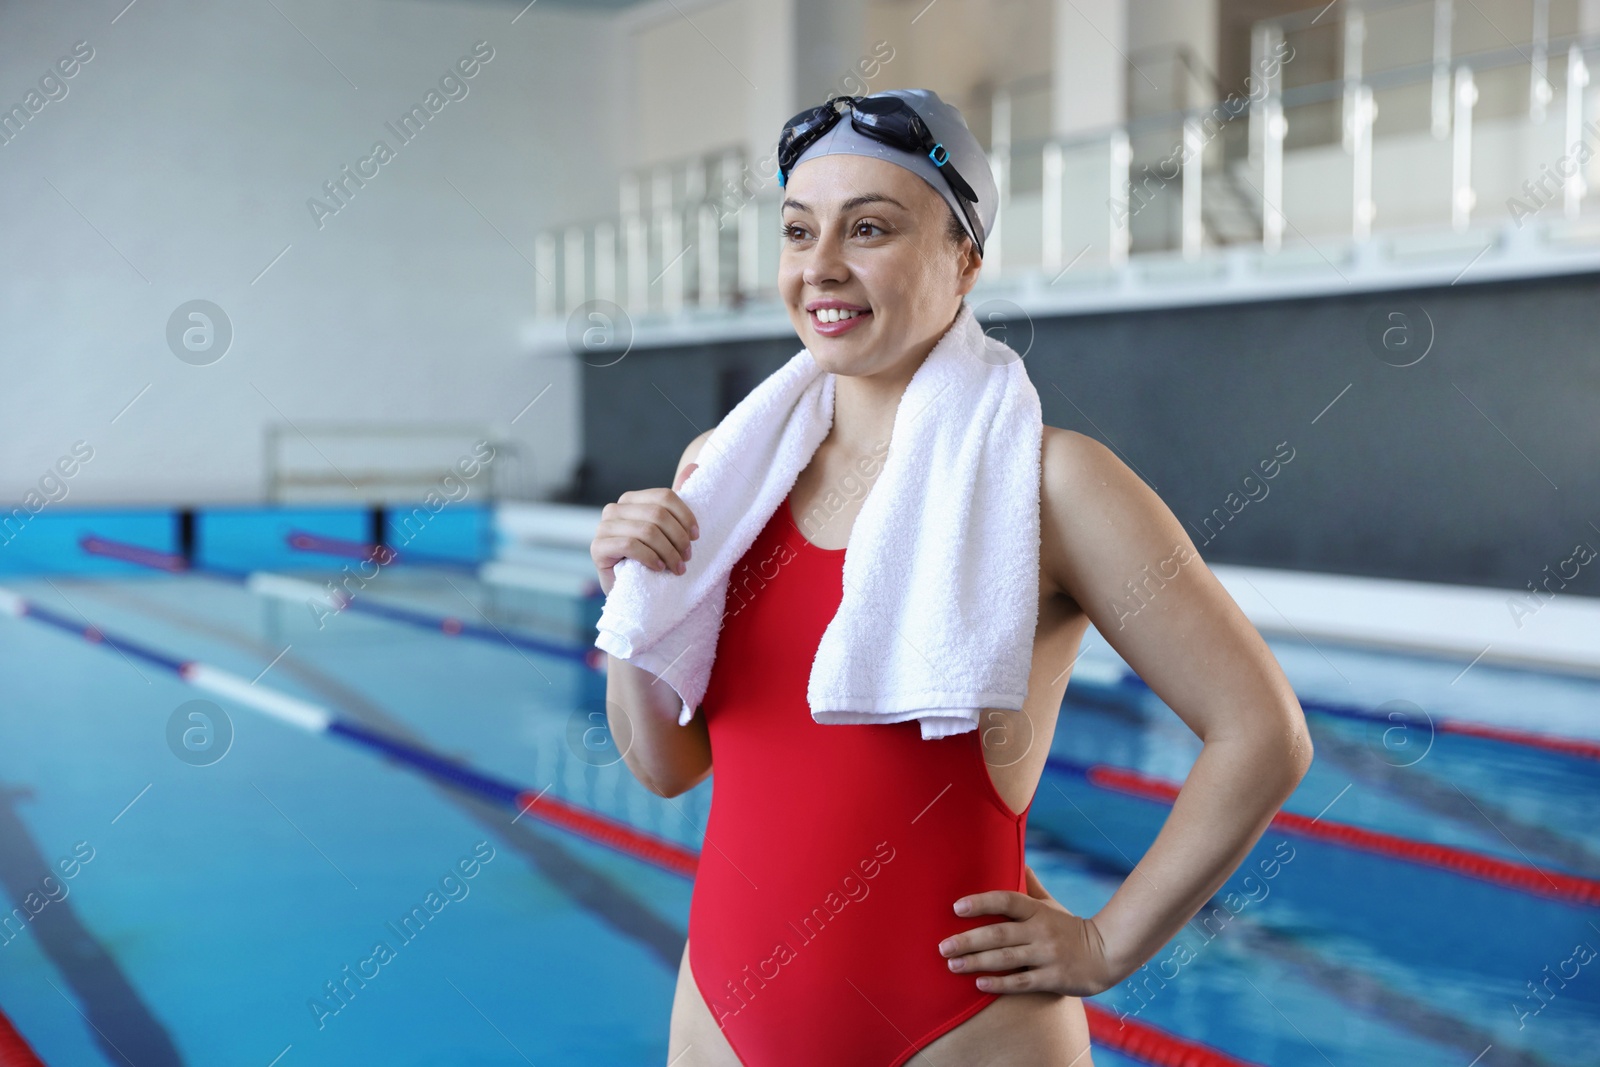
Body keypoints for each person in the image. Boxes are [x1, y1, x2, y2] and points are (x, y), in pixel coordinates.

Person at [589, 89, 1313, 1067]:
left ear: (965, 257)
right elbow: (667, 769)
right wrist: (630, 599)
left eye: (871, 227)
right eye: (798, 230)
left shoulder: (1051, 481)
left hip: (962, 1032)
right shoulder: (722, 474)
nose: (822, 267)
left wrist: (1107, 942)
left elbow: (1261, 730)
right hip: (720, 1015)